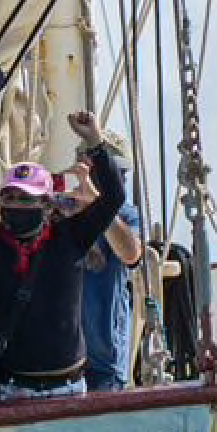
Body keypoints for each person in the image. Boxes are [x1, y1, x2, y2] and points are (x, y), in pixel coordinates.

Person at [0, 110, 126, 402]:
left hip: (70, 390)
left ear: (46, 205)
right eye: (9, 197)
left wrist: (95, 142)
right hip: (11, 390)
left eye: (26, 198)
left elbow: (114, 197)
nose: (16, 205)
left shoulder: (71, 239)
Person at [73, 133, 144, 391]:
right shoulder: (64, 211)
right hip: (61, 361)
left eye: (120, 174)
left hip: (103, 363)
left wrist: (99, 207)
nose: (119, 181)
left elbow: (131, 254)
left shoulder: (125, 214)